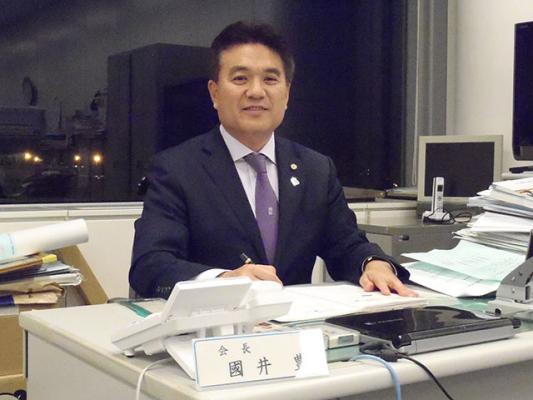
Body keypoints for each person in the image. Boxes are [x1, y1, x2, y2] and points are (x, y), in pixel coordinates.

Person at [129, 21, 416, 299]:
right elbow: (150, 265)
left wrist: (373, 263)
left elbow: (346, 245)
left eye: (270, 79)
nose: (256, 92)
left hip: (296, 325)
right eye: (240, 78)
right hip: (211, 325)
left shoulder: (316, 169)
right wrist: (223, 280)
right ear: (214, 93)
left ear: (287, 94)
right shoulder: (177, 169)